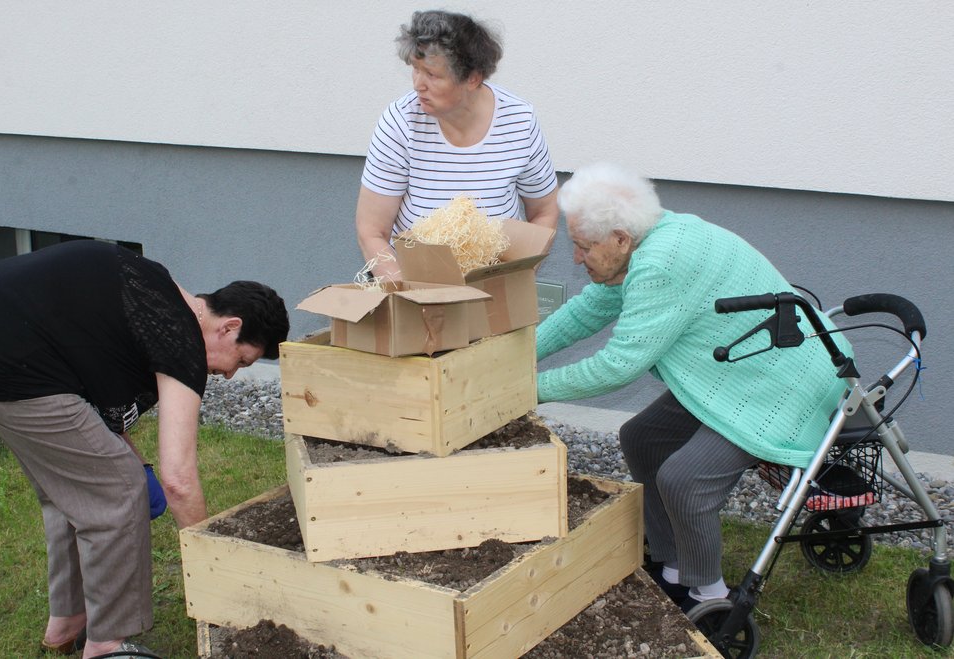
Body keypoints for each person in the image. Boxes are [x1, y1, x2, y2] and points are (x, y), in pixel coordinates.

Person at [535, 163, 850, 611]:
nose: (575, 258)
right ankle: (675, 567)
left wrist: (530, 389)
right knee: (641, 438)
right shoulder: (652, 238)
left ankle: (709, 593)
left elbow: (619, 365)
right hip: (738, 373)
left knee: (685, 480)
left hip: (775, 389)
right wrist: (519, 355)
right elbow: (588, 310)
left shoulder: (662, 264)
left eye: (582, 247)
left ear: (620, 238)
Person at [0, 240, 289, 657]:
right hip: (5, 358)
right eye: (241, 361)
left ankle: (69, 622)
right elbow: (179, 480)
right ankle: (107, 645)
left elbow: (97, 413)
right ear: (229, 327)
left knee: (73, 486)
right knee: (117, 491)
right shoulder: (180, 338)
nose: (229, 375)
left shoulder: (159, 290)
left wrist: (139, 462)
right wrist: (210, 562)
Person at [356, 9, 559, 279]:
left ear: (472, 78)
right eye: (415, 70)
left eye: (432, 74)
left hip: (494, 291)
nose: (418, 84)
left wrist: (516, 280)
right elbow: (372, 232)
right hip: (416, 288)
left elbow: (544, 212)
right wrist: (407, 293)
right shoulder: (400, 122)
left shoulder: (519, 121)